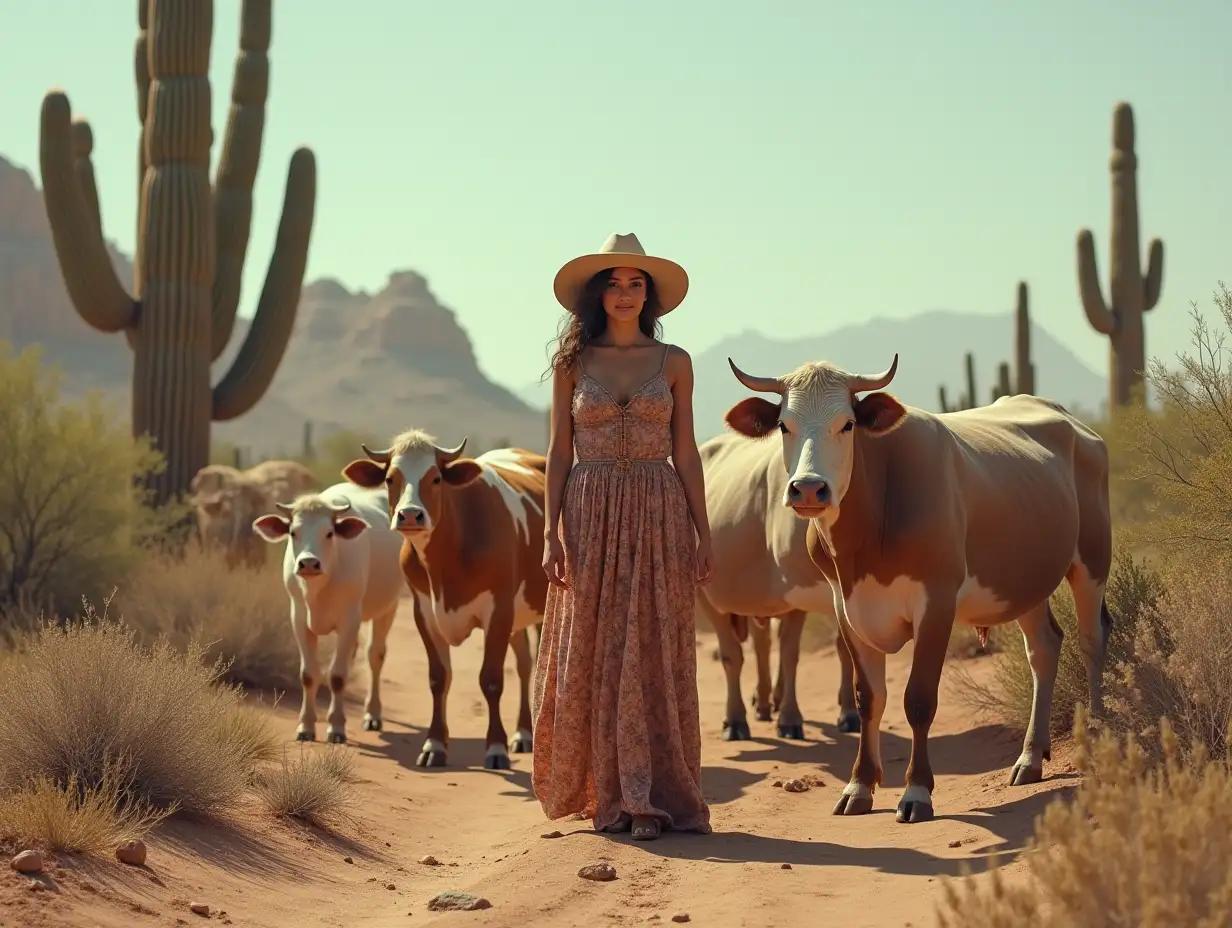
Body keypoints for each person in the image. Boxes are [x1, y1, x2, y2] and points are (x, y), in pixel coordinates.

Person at [531, 232, 714, 842]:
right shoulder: (572, 364)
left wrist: (702, 532)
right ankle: (610, 796)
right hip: (588, 512)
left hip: (660, 511)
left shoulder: (678, 362)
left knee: (655, 646)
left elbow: (685, 452)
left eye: (637, 284)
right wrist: (550, 530)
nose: (627, 294)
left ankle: (657, 795)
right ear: (598, 293)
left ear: (650, 297)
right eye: (615, 282)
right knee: (596, 648)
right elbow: (559, 452)